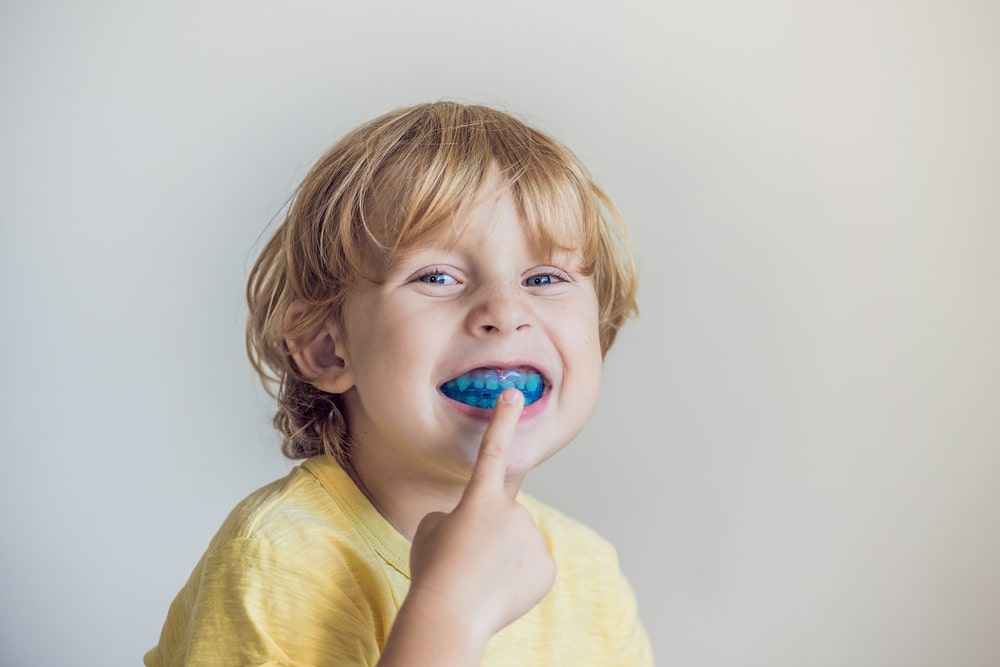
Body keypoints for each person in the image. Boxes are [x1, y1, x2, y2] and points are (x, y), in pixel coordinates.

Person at [144, 101, 654, 666]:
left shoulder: (591, 574)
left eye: (544, 278)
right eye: (436, 276)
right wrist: (449, 610)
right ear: (327, 347)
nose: (506, 312)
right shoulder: (278, 556)